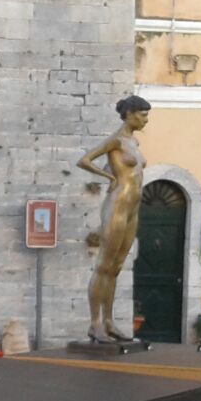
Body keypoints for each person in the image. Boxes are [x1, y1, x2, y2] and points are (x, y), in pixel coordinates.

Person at [76, 96, 151, 344]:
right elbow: (85, 160)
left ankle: (109, 322)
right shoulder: (116, 140)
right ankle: (95, 323)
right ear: (129, 114)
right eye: (141, 114)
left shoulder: (133, 142)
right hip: (118, 204)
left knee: (116, 267)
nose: (145, 119)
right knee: (104, 265)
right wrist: (109, 178)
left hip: (133, 208)